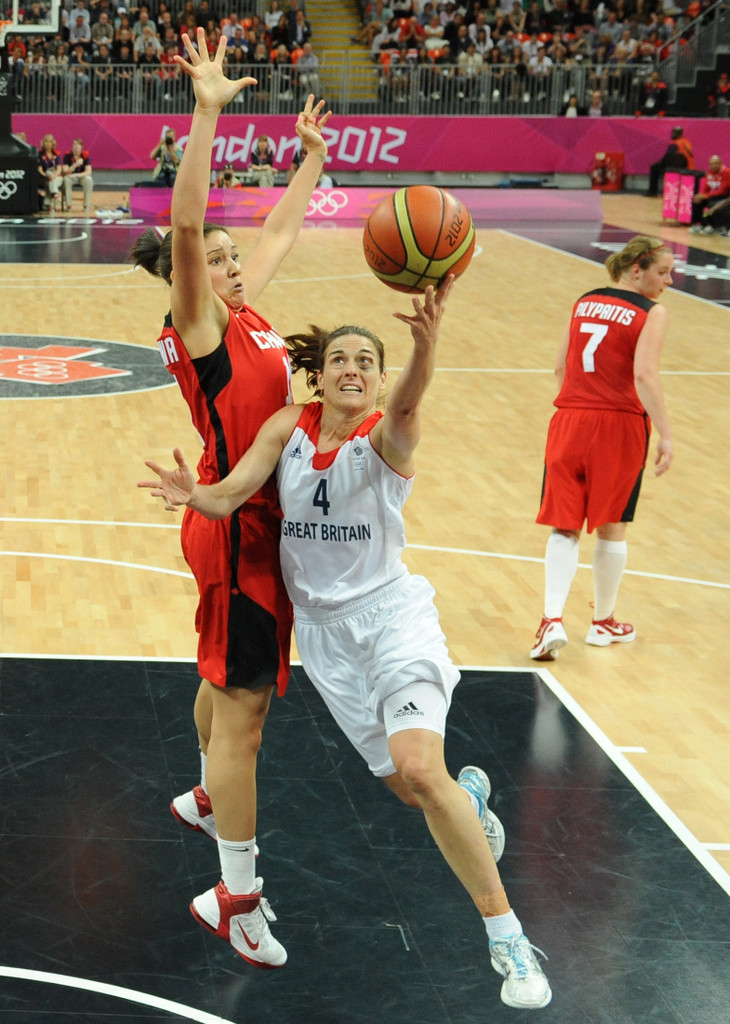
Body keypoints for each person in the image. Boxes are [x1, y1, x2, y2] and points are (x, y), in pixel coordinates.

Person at [140, 281, 553, 1012]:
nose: (352, 368)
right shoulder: (287, 427)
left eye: (367, 359)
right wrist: (191, 494)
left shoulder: (382, 441)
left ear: (378, 377)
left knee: (421, 770)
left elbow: (407, 408)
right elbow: (232, 491)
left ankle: (507, 936)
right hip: (328, 646)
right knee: (412, 787)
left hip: (393, 622)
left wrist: (426, 346)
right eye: (340, 358)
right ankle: (472, 801)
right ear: (320, 373)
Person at [128, 26, 331, 971]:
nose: (235, 261)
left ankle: (205, 796)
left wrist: (310, 161)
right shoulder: (200, 321)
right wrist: (207, 114)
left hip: (243, 531)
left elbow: (283, 232)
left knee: (224, 681)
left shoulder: (246, 313)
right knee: (245, 711)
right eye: (216, 257)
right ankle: (235, 895)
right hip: (236, 526)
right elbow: (184, 228)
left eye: (231, 255)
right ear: (190, 276)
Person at [530, 236, 674, 662]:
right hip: (620, 424)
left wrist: (578, 402)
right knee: (613, 523)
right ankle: (602, 622)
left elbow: (560, 366)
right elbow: (645, 375)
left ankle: (551, 621)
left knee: (564, 524)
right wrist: (665, 433)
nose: (669, 280)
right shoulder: (652, 312)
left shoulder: (585, 301)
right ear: (636, 270)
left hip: (569, 418)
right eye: (662, 271)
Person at [646, 125, 694, 198]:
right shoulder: (687, 142)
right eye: (672, 132)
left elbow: (667, 158)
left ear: (680, 134)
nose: (672, 134)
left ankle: (652, 192)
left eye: (674, 133)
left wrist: (655, 163)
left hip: (677, 167)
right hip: (689, 167)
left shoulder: (674, 143)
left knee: (654, 168)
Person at [689, 154, 730, 234]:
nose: (713, 166)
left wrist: (706, 196)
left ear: (720, 163)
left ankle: (712, 226)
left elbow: (722, 190)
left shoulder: (727, 172)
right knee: (696, 201)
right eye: (711, 164)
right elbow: (707, 188)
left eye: (716, 163)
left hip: (724, 197)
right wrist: (701, 195)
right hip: (713, 196)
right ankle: (701, 224)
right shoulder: (709, 172)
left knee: (712, 203)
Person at [62, 137, 94, 213]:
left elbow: (89, 171)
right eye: (74, 145)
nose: (75, 147)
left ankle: (86, 205)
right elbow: (66, 171)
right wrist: (75, 165)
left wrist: (76, 175)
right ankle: (68, 205)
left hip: (80, 176)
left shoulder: (85, 156)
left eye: (77, 145)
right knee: (66, 180)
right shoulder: (67, 156)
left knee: (89, 180)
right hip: (70, 177)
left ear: (81, 147)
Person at [37, 133, 63, 212]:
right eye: (46, 142)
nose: (48, 144)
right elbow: (40, 169)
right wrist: (45, 175)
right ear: (43, 143)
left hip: (57, 176)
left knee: (52, 180)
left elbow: (59, 168)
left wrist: (54, 175)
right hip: (46, 176)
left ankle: (49, 202)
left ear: (53, 144)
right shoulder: (40, 154)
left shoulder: (56, 154)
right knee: (50, 180)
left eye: (50, 142)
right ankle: (55, 196)